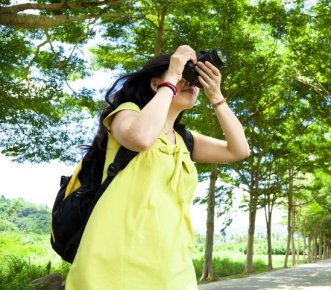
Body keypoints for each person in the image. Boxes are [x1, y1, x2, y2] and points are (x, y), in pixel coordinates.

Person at [65, 45, 250, 290]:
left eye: (192, 79)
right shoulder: (126, 114)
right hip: (114, 261)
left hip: (171, 265)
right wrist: (173, 75)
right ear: (156, 84)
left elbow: (239, 150)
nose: (190, 82)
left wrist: (216, 96)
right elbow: (141, 138)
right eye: (184, 75)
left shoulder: (184, 140)